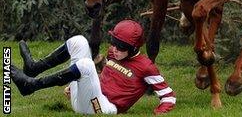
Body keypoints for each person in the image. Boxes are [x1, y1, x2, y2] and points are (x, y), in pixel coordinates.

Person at [11, 20, 176, 114]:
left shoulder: (146, 67)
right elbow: (103, 79)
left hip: (101, 109)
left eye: (121, 47)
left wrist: (159, 112)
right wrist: (76, 85)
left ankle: (31, 86)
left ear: (133, 48)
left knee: (87, 64)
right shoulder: (114, 53)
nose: (115, 49)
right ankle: (33, 68)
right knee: (79, 41)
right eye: (114, 44)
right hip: (88, 99)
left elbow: (168, 96)